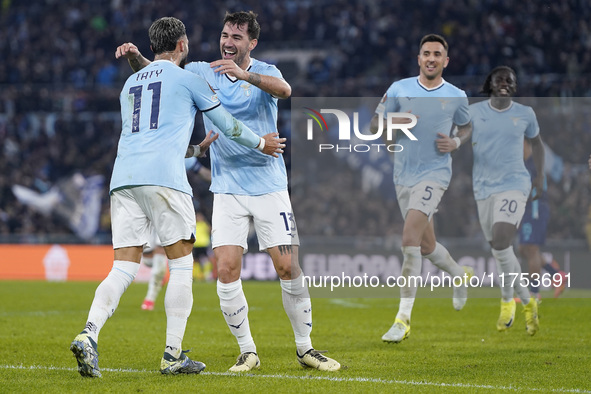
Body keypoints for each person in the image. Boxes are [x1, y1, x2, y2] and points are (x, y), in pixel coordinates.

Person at [116, 11, 340, 372]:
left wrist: (245, 75)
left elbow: (286, 91)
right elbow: (161, 72)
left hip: (269, 185)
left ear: (252, 43)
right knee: (226, 269)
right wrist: (135, 58)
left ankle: (305, 348)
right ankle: (247, 351)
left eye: (237, 37)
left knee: (287, 266)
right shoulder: (202, 71)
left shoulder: (266, 71)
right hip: (227, 189)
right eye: (225, 35)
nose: (228, 42)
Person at [70, 16, 284, 378]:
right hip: (166, 181)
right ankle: (172, 355)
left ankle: (88, 333)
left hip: (123, 179)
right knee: (182, 264)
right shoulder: (190, 80)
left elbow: (152, 138)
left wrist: (197, 151)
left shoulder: (129, 86)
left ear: (154, 46)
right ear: (182, 45)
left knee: (123, 267)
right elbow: (229, 126)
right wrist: (262, 142)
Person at [370, 34, 473, 344]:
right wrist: (399, 122)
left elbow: (467, 126)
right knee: (427, 247)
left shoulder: (457, 96)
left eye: (437, 54)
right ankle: (458, 275)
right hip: (403, 176)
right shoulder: (398, 89)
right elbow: (376, 127)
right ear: (418, 58)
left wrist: (456, 141)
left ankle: (403, 319)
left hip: (435, 174)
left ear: (445, 61)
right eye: (426, 53)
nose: (431, 58)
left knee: (409, 239)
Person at [470, 66, 542, 335]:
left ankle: (506, 300)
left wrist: (540, 176)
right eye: (499, 79)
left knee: (501, 240)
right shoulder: (475, 112)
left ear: (514, 85)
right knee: (500, 249)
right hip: (483, 188)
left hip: (515, 184)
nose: (504, 83)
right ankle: (528, 301)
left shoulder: (525, 114)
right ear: (490, 83)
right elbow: (461, 133)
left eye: (509, 80)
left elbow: (537, 144)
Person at [519, 139, 566, 300]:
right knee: (523, 249)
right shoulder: (527, 162)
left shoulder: (533, 160)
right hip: (529, 207)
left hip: (535, 206)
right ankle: (557, 274)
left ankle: (534, 293)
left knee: (531, 249)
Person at [140, 230, 167, 311]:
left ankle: (149, 299)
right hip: (147, 222)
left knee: (157, 271)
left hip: (163, 219)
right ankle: (160, 276)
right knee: (147, 260)